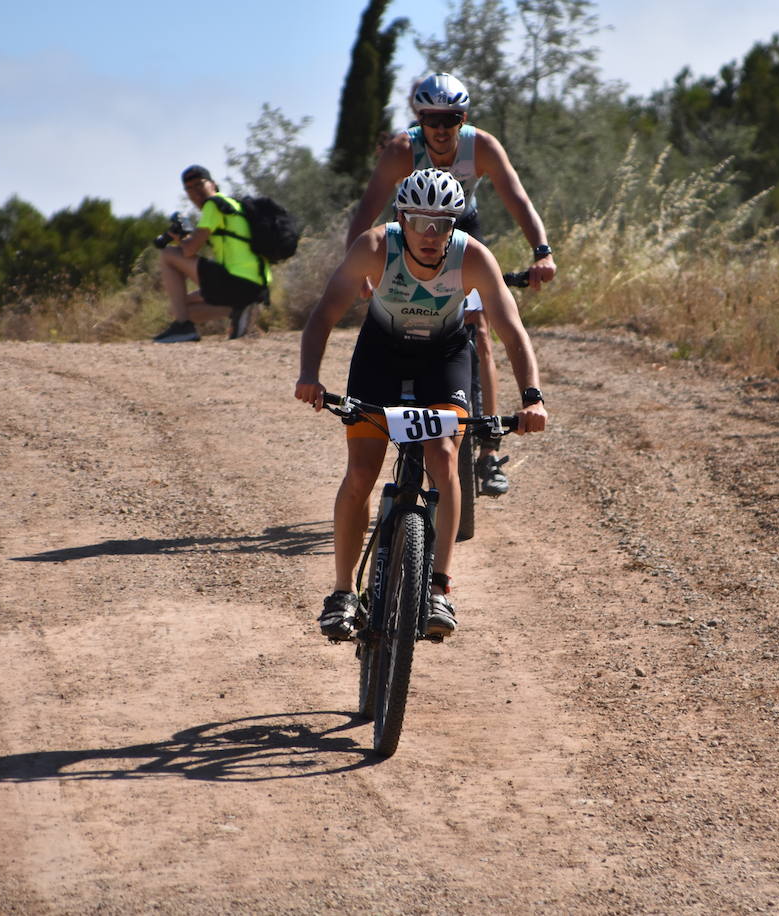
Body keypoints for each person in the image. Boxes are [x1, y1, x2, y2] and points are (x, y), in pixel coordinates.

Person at [296, 169, 547, 641]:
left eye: (443, 222)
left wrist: (532, 397)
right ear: (401, 219)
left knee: (445, 456)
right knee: (361, 473)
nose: (431, 234)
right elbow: (324, 314)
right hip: (379, 358)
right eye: (420, 221)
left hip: (443, 359)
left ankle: (438, 587)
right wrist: (309, 375)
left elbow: (512, 329)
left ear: (456, 224)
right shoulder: (374, 247)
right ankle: (343, 591)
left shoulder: (471, 257)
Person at [345, 72, 556, 496]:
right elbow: (368, 209)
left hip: (460, 231)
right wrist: (360, 272)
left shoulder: (482, 146)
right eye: (431, 119)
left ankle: (488, 453)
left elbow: (517, 198)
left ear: (463, 119)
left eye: (451, 118)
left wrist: (542, 251)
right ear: (419, 119)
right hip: (412, 230)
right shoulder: (402, 149)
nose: (440, 129)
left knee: (480, 327)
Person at [152, 164, 269, 343]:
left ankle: (183, 327)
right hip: (255, 285)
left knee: (168, 254)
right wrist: (186, 238)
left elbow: (190, 250)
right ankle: (238, 310)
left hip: (238, 281)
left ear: (213, 185)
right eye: (189, 188)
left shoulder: (213, 205)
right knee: (179, 307)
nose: (195, 191)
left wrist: (178, 238)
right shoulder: (232, 205)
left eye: (199, 184)